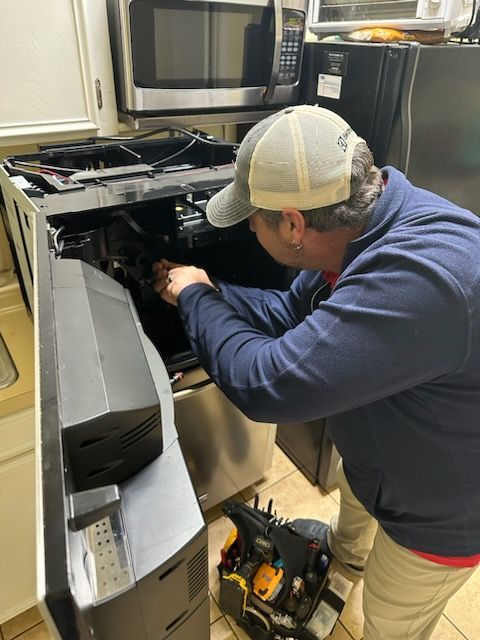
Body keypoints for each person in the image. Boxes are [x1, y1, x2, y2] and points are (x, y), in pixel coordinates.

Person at [152, 105, 480, 640]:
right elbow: (290, 314)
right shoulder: (363, 231)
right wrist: (208, 289)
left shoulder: (421, 277)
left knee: (391, 620)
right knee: (353, 519)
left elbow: (265, 383)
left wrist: (194, 299)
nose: (249, 229)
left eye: (251, 220)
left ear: (292, 223)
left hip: (438, 511)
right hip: (382, 457)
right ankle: (346, 558)